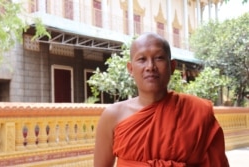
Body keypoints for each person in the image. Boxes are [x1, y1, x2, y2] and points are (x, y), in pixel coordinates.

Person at [94, 32, 229, 167]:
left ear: (172, 66)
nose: (150, 67)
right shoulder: (112, 116)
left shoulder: (198, 112)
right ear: (130, 69)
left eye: (159, 58)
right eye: (142, 59)